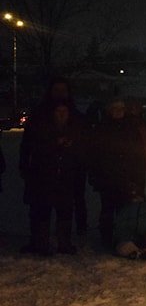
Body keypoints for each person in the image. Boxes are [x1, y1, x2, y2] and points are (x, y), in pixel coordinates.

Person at [18, 101, 85, 254]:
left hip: (66, 176)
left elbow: (81, 151)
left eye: (64, 111)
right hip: (45, 176)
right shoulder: (44, 131)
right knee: (43, 209)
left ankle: (64, 243)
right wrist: (54, 144)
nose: (62, 114)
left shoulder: (74, 130)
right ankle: (41, 243)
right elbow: (35, 150)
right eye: (58, 111)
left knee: (65, 210)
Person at [88, 96, 146, 249]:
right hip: (108, 176)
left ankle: (124, 238)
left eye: (121, 109)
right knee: (108, 208)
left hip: (127, 175)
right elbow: (95, 154)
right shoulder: (102, 128)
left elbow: (138, 154)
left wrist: (138, 176)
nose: (118, 112)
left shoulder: (131, 128)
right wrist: (96, 176)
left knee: (126, 209)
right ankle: (107, 239)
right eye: (115, 109)